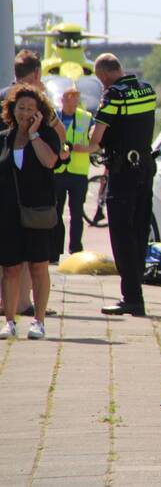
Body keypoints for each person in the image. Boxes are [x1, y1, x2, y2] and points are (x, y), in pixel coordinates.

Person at [86, 54, 157, 317]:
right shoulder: (147, 90)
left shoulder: (113, 95)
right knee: (139, 231)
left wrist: (74, 148)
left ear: (103, 75)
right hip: (145, 168)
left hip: (123, 172)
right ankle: (135, 291)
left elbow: (95, 141)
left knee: (121, 233)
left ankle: (132, 298)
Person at [0, 84, 61, 339]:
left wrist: (35, 135)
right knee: (10, 268)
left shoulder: (47, 135)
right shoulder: (4, 137)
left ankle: (39, 321)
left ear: (39, 113)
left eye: (30, 109)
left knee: (38, 267)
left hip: (37, 212)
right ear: (11, 109)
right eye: (20, 107)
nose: (24, 113)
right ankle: (10, 321)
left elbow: (50, 162)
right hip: (8, 213)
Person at [53, 83, 93, 260]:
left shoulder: (86, 118)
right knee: (55, 212)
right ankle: (54, 250)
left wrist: (82, 148)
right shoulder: (53, 117)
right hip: (58, 170)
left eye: (76, 98)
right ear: (62, 100)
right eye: (70, 98)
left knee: (77, 213)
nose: (73, 102)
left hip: (78, 172)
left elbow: (94, 143)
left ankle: (75, 250)